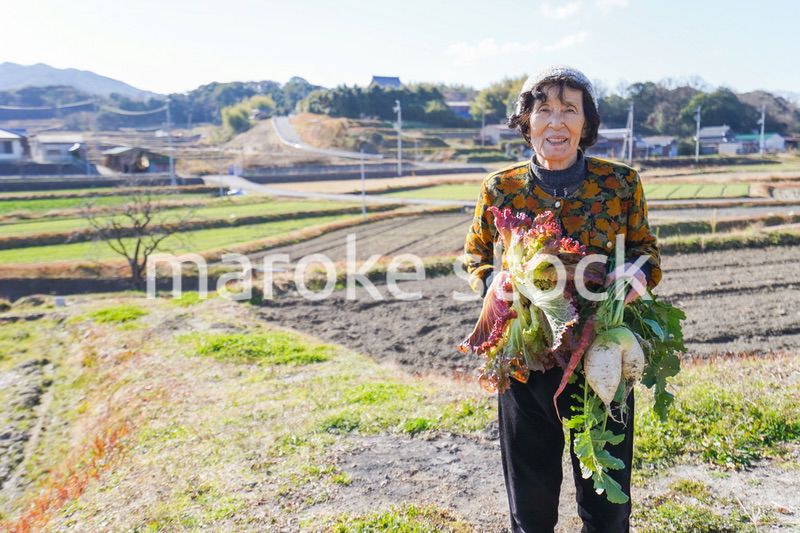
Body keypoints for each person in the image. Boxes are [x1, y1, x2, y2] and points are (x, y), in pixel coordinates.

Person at [462, 66, 661, 533]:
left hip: (601, 354)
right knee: (530, 507)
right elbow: (475, 257)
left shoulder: (621, 184)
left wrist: (635, 277)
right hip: (527, 353)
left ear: (586, 124)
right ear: (526, 122)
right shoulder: (500, 188)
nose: (556, 122)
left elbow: (646, 253)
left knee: (608, 508)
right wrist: (494, 283)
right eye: (544, 109)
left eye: (570, 110)